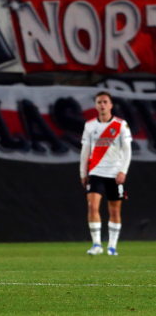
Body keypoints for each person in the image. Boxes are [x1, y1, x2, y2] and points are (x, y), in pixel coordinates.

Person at [80, 91, 132, 256]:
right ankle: (96, 245)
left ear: (110, 105)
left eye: (105, 102)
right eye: (99, 102)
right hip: (96, 172)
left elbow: (127, 150)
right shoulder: (89, 125)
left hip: (115, 173)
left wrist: (123, 171)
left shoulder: (121, 125)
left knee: (115, 211)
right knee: (92, 206)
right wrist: (83, 172)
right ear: (95, 105)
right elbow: (85, 151)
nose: (102, 105)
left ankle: (112, 246)